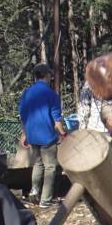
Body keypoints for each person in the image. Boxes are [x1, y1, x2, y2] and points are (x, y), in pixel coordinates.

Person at [18, 62, 65, 208]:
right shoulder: (51, 94)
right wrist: (63, 134)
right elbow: (56, 118)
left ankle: (34, 192)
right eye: (50, 74)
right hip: (47, 136)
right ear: (46, 76)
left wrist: (24, 134)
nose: (51, 77)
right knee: (50, 167)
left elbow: (23, 115)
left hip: (32, 135)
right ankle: (45, 199)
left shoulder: (26, 93)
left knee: (38, 164)